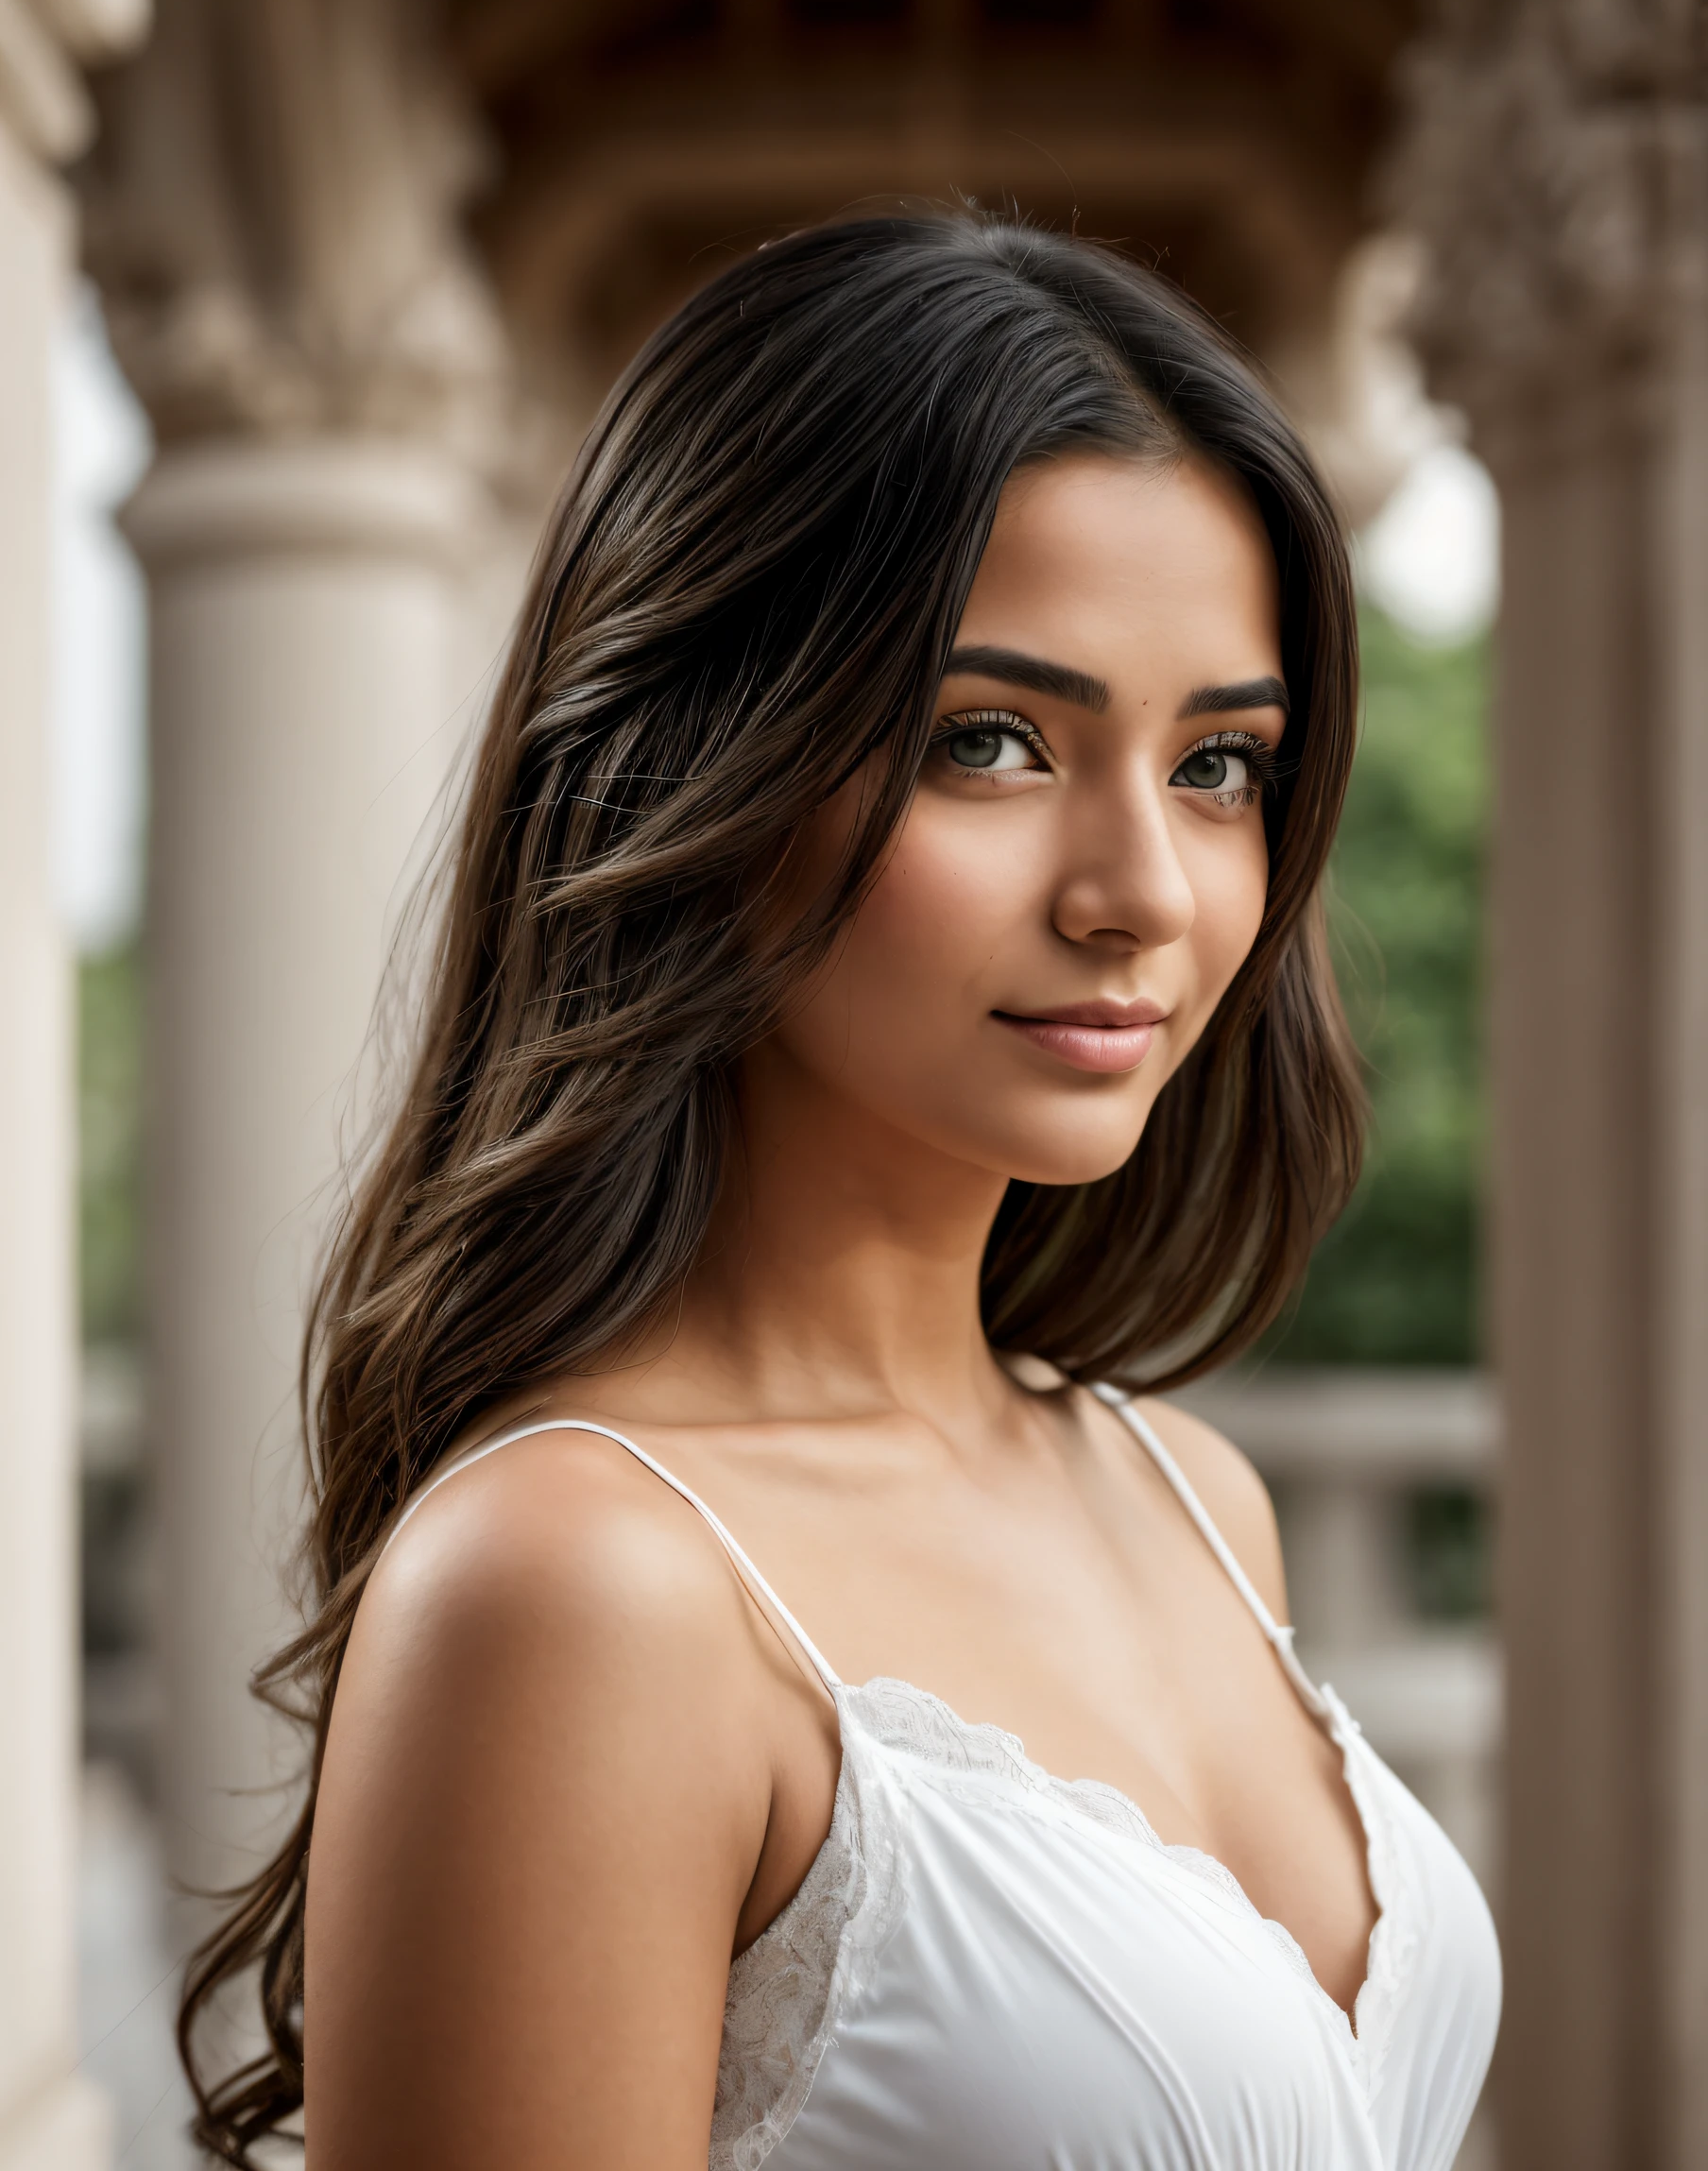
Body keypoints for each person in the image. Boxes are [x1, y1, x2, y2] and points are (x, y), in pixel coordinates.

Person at [180, 214, 1499, 2171]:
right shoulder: (579, 1587)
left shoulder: (1177, 1492)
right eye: (991, 743)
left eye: (1220, 765)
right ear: (703, 767)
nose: (1141, 888)